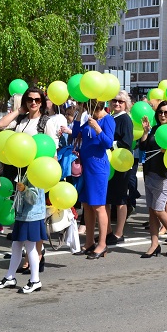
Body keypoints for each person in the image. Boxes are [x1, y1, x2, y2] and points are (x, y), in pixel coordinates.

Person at [0, 87, 55, 270]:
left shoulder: (46, 122)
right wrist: (18, 111)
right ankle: (34, 253)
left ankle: (36, 255)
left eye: (37, 100)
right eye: (30, 99)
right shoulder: (21, 120)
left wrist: (50, 176)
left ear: (42, 102)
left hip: (38, 173)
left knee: (35, 216)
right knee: (22, 214)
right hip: (20, 173)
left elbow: (52, 150)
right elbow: (0, 125)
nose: (33, 103)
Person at [72, 100, 114, 259]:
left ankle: (102, 244)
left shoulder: (108, 119)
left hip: (98, 167)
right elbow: (76, 133)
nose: (91, 109)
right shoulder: (88, 117)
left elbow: (108, 142)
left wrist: (97, 128)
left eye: (92, 105)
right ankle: (89, 242)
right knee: (87, 205)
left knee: (98, 206)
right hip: (85, 166)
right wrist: (78, 114)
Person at [0, 175, 47, 294]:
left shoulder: (36, 172)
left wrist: (24, 189)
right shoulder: (26, 171)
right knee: (16, 245)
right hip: (22, 215)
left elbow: (33, 199)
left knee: (30, 247)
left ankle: (35, 280)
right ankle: (10, 277)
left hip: (31, 216)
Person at [137, 102, 167, 257]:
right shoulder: (154, 129)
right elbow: (142, 148)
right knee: (151, 211)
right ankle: (154, 244)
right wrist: (145, 132)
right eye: (160, 112)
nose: (163, 115)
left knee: (159, 210)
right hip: (150, 173)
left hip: (164, 176)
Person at [105, 91, 133, 246]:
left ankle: (119, 232)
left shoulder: (125, 119)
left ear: (125, 104)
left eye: (120, 102)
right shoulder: (109, 117)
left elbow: (127, 142)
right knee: (107, 199)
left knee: (120, 199)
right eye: (114, 101)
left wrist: (110, 143)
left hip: (121, 162)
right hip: (108, 163)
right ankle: (107, 231)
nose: (116, 104)